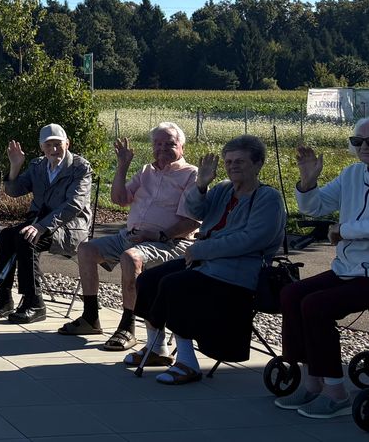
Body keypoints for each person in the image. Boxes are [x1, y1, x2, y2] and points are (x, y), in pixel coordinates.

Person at [127, 135, 286, 385]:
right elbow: (194, 211)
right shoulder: (223, 189)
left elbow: (250, 240)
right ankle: (157, 348)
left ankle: (188, 363)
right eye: (229, 161)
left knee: (174, 285)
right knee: (149, 279)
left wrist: (202, 250)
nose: (232, 166)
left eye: (240, 161)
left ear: (258, 164)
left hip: (238, 270)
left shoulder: (268, 198)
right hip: (205, 263)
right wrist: (201, 185)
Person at [58, 123, 200, 350]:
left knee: (130, 258)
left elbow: (191, 222)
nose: (162, 148)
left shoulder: (191, 174)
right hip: (132, 236)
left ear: (182, 147)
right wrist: (122, 166)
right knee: (86, 250)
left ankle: (127, 326)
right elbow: (119, 199)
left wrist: (157, 234)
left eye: (169, 144)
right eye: (158, 144)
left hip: (169, 242)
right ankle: (90, 317)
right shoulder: (146, 171)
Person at [274, 118, 369, 418]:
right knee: (291, 294)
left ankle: (336, 392)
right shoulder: (353, 173)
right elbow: (314, 207)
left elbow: (351, 227)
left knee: (316, 305)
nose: (364, 147)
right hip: (347, 268)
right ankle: (312, 380)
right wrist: (307, 182)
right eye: (358, 142)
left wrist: (343, 230)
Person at [0, 123, 92, 324]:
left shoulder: (80, 167)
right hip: (38, 222)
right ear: (42, 147)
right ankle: (3, 297)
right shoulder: (37, 166)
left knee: (27, 239)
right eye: (48, 145)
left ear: (67, 143)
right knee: (7, 235)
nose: (54, 149)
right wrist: (15, 166)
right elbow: (15, 191)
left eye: (58, 144)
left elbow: (74, 205)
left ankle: (34, 302)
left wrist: (42, 227)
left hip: (70, 226)